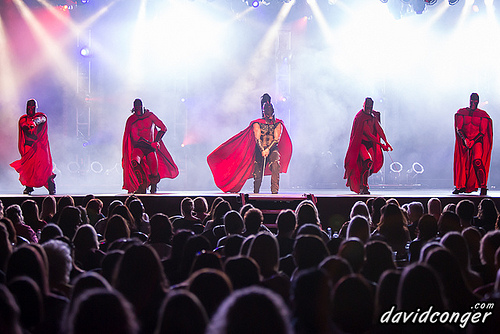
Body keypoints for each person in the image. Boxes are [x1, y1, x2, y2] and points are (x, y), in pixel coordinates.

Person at [207, 93, 292, 193]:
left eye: (270, 110)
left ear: (272, 111)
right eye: (266, 111)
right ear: (264, 112)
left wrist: (268, 149)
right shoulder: (257, 123)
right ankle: (256, 192)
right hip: (260, 148)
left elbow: (276, 139)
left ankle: (274, 192)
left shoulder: (278, 123)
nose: (268, 113)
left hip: (272, 149)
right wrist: (262, 150)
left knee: (275, 165)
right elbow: (257, 138)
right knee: (258, 172)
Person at [122, 98, 178, 194]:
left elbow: (163, 128)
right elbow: (136, 138)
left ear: (142, 107)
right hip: (139, 147)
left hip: (150, 148)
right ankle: (142, 185)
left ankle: (153, 186)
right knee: (135, 161)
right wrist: (152, 143)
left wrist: (156, 141)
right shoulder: (132, 120)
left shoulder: (150, 116)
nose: (138, 111)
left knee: (154, 172)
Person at [344, 97, 392, 195]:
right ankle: (363, 186)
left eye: (370, 107)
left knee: (369, 166)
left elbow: (379, 129)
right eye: (367, 106)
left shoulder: (372, 117)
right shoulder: (360, 117)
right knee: (367, 161)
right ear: (364, 105)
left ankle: (363, 184)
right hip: (361, 143)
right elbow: (368, 134)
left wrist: (386, 142)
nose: (369, 109)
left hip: (370, 144)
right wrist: (381, 144)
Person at [10, 99, 56, 195]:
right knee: (28, 169)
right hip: (29, 147)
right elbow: (24, 126)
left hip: (40, 148)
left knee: (44, 168)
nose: (31, 109)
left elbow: (42, 119)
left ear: (36, 107)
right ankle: (29, 187)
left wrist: (34, 123)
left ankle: (50, 186)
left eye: (33, 107)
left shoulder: (41, 116)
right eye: (29, 107)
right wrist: (28, 125)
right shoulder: (23, 119)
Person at [453, 93, 492, 195]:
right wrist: (465, 139)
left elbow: (483, 131)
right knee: (462, 163)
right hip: (464, 141)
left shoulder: (483, 115)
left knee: (477, 161)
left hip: (477, 141)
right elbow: (459, 128)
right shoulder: (462, 112)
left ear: (478, 101)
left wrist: (473, 141)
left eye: (475, 100)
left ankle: (483, 186)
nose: (473, 102)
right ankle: (461, 186)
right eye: (472, 100)